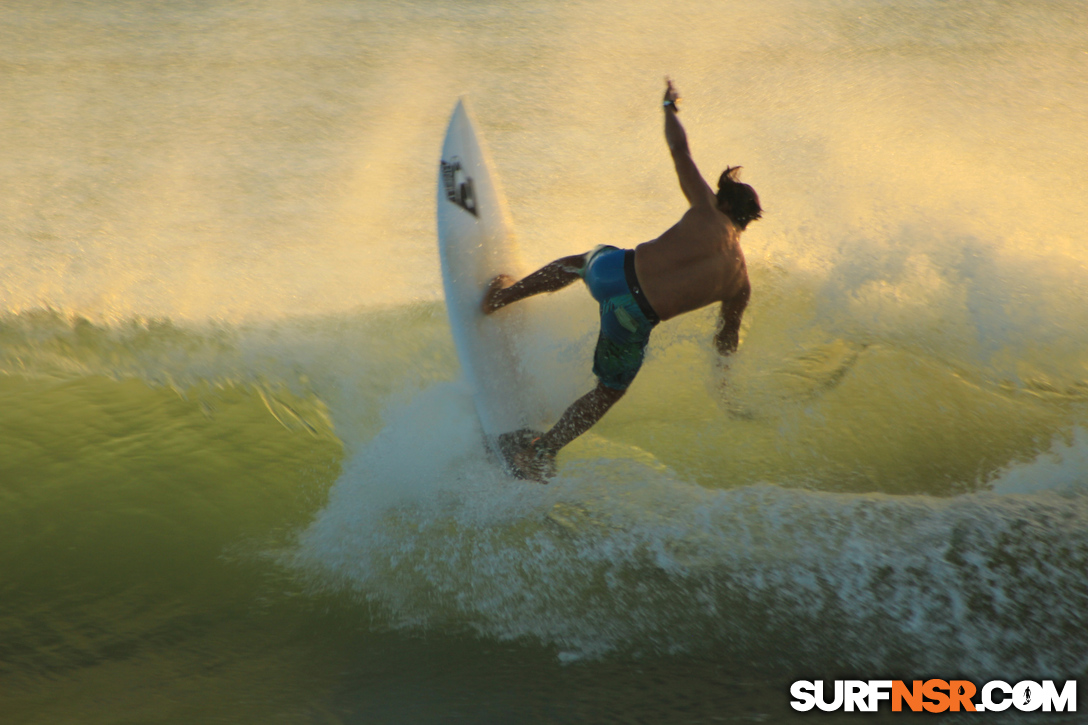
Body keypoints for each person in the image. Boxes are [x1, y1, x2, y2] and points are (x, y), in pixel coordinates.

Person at [481, 78, 762, 482]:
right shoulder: (740, 283)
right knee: (608, 391)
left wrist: (669, 106)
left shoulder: (706, 208)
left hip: (614, 273)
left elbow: (679, 150)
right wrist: (724, 382)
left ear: (723, 200)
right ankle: (540, 451)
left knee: (581, 262)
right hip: (631, 317)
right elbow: (725, 338)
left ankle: (501, 298)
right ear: (747, 221)